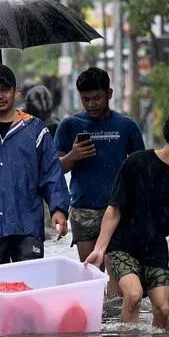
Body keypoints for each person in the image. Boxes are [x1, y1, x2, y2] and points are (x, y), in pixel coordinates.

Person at [85, 112, 169, 331]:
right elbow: (114, 210)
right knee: (134, 295)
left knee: (163, 310)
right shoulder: (137, 162)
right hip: (123, 246)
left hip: (155, 249)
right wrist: (100, 249)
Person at [0, 64, 69, 267]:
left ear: (15, 91)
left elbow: (51, 173)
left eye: (5, 89)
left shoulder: (35, 129)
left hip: (27, 226)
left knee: (28, 290)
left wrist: (59, 209)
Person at [56, 67, 146, 273]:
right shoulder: (69, 125)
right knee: (91, 272)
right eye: (85, 99)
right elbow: (55, 170)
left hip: (118, 208)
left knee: (118, 276)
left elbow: (141, 169)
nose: (91, 104)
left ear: (109, 94)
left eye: (97, 98)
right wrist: (73, 155)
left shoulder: (127, 126)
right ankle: (99, 307)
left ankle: (114, 306)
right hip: (84, 209)